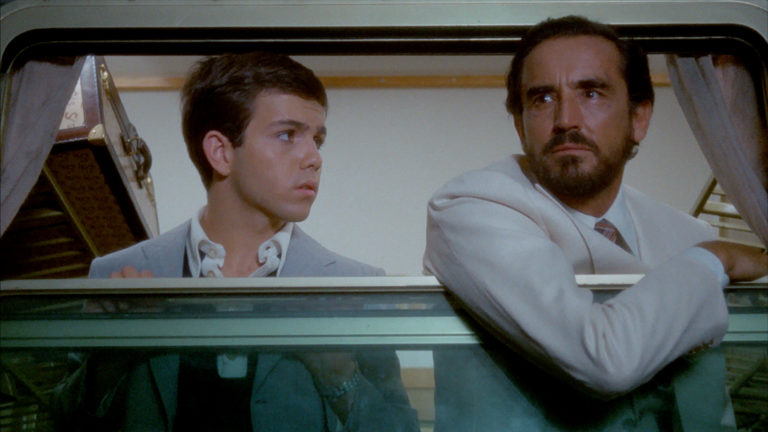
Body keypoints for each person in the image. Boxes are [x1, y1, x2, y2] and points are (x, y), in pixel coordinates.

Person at [423, 16, 768, 431]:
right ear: (520, 125)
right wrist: (717, 258)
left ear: (639, 117)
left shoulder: (688, 234)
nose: (566, 119)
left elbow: (709, 408)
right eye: (542, 98)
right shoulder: (469, 209)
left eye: (591, 93)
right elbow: (604, 359)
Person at [54, 52, 419, 432]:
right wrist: (109, 363)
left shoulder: (357, 288)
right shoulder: (116, 275)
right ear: (221, 152)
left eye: (318, 140)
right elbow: (60, 424)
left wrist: (340, 379)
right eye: (287, 135)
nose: (314, 158)